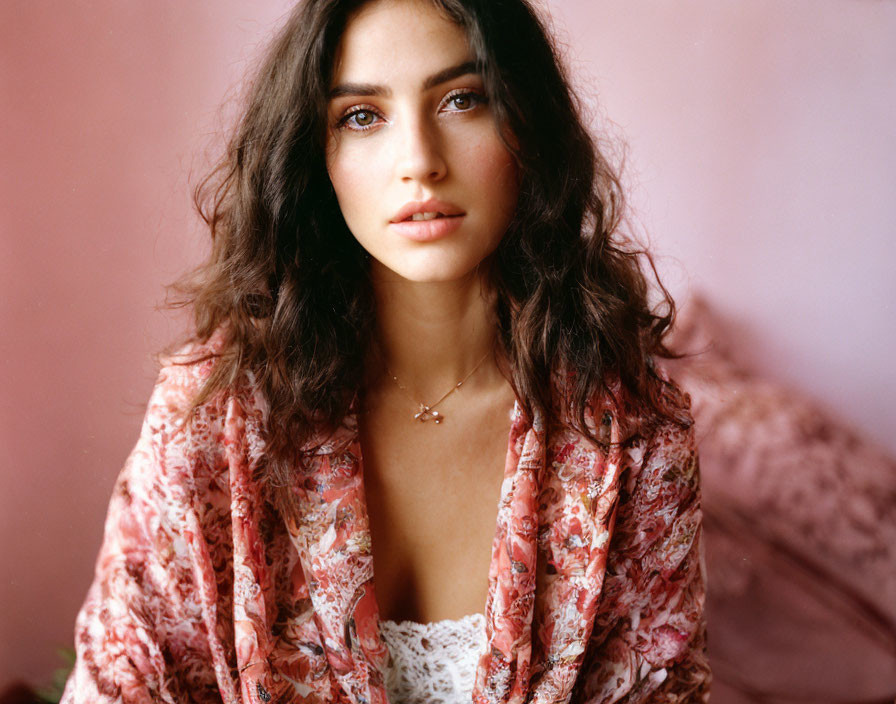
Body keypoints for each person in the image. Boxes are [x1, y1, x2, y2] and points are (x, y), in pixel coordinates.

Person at [62, 0, 711, 702]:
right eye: (362, 116)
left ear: (529, 124)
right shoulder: (212, 420)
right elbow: (124, 682)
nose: (419, 163)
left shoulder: (630, 437)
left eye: (463, 100)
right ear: (317, 155)